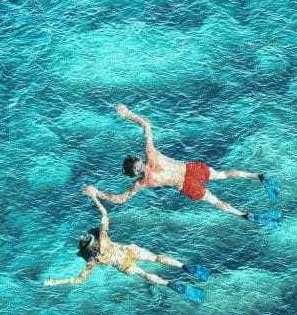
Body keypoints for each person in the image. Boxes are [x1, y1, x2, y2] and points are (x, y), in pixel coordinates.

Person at [96, 104, 281, 226]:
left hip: (190, 169)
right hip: (186, 185)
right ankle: (245, 215)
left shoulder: (150, 153)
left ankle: (258, 177)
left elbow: (146, 124)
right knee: (215, 201)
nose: (140, 167)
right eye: (137, 169)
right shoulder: (142, 182)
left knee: (222, 175)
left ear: (138, 159)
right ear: (136, 173)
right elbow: (120, 199)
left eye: (138, 163)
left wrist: (128, 114)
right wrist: (97, 194)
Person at [44, 187, 209, 302]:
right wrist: (94, 196)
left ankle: (169, 284)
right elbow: (104, 214)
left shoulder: (93, 260)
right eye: (86, 236)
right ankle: (185, 266)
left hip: (123, 264)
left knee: (144, 275)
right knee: (156, 258)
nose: (84, 234)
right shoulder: (103, 238)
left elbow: (79, 280)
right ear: (91, 240)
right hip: (128, 251)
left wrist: (56, 282)